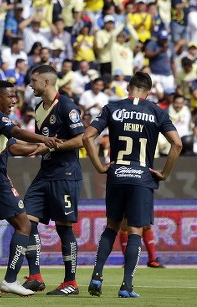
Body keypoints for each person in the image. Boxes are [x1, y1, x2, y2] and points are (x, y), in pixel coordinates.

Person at [83, 72, 182, 298]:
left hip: (117, 174)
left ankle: (97, 276)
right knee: (136, 229)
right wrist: (164, 174)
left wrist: (99, 166)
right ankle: (127, 286)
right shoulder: (157, 111)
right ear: (148, 91)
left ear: (129, 87)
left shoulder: (112, 108)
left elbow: (87, 136)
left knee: (112, 226)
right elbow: (176, 144)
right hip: (142, 176)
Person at [0, 80, 61, 297]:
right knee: (23, 225)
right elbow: (16, 133)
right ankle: (10, 280)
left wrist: (37, 147)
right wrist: (44, 139)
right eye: (11, 96)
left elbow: (12, 147)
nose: (14, 100)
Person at [22, 65, 84, 295]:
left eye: (33, 81)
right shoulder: (39, 108)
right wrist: (35, 148)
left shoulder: (67, 106)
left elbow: (80, 140)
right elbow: (44, 142)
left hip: (65, 174)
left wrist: (53, 146)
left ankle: (71, 282)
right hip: (45, 173)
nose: (30, 85)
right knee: (25, 221)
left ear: (46, 83)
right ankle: (35, 276)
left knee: (63, 228)